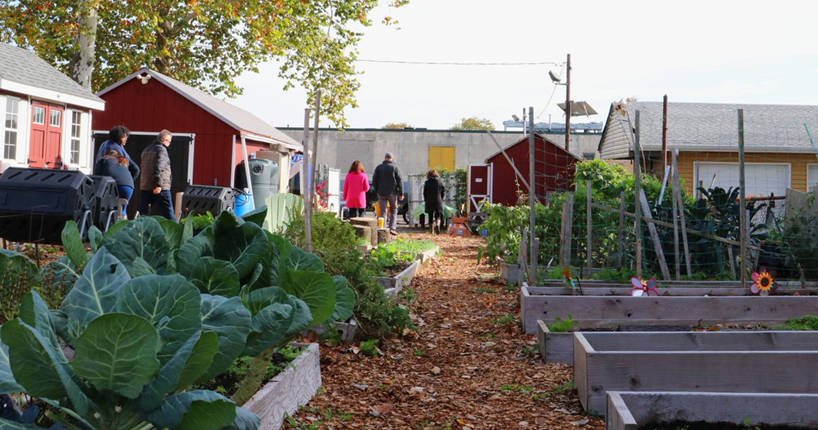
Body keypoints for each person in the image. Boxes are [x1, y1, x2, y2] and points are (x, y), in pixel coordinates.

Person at [139, 130, 175, 221]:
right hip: (160, 187)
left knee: (144, 215)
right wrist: (158, 185)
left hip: (146, 186)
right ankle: (176, 234)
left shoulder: (146, 149)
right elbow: (159, 167)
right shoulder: (162, 150)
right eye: (169, 142)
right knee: (168, 213)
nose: (169, 144)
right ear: (164, 140)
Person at [94, 148, 140, 219]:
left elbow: (97, 176)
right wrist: (130, 180)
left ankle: (109, 225)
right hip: (128, 187)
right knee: (123, 209)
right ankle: (124, 224)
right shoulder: (125, 159)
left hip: (113, 186)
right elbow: (137, 169)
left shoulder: (103, 160)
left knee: (108, 207)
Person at [372, 152, 404, 235]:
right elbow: (400, 180)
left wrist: (377, 190)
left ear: (385, 158)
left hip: (381, 192)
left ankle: (382, 228)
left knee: (383, 210)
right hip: (392, 193)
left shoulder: (379, 167)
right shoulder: (395, 167)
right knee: (393, 210)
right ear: (392, 158)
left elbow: (374, 180)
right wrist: (401, 193)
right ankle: (392, 228)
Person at [423, 169, 445, 234]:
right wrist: (441, 198)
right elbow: (443, 191)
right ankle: (437, 224)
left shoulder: (427, 182)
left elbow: (425, 192)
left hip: (429, 200)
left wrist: (425, 200)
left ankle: (431, 231)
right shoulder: (440, 181)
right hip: (438, 199)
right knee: (438, 215)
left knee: (430, 215)